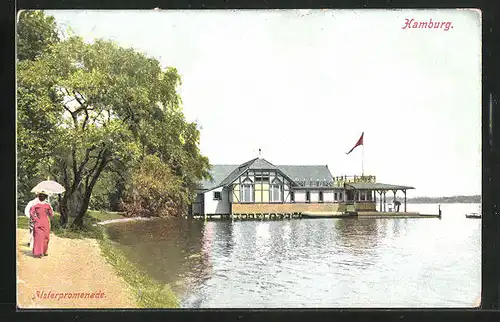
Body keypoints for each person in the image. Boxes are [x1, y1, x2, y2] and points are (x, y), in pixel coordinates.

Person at [29, 192, 54, 258]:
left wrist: (50, 209)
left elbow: (51, 214)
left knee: (46, 238)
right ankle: (38, 253)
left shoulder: (47, 205)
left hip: (46, 223)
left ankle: (44, 251)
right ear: (38, 197)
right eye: (40, 196)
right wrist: (35, 219)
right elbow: (31, 212)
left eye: (43, 196)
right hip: (38, 223)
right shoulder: (35, 205)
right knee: (38, 237)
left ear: (45, 197)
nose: (41, 197)